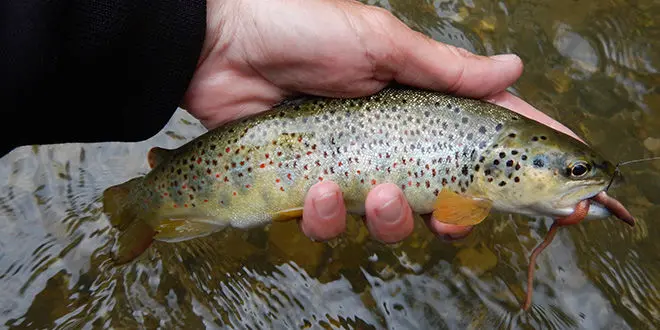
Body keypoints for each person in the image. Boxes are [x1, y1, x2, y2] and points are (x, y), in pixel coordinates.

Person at [1, 0, 577, 243]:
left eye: (575, 171)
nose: (577, 178)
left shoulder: (484, 165)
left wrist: (212, 29)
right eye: (571, 170)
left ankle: (151, 199)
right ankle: (150, 200)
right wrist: (213, 30)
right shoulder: (470, 194)